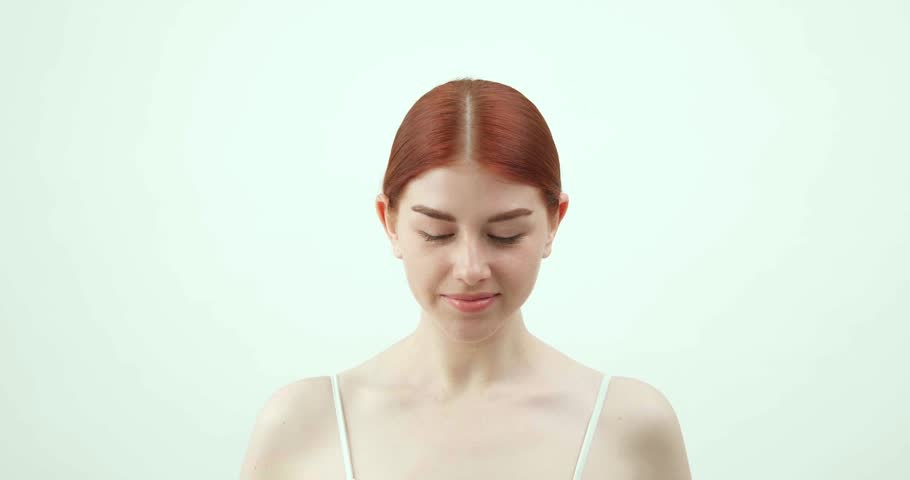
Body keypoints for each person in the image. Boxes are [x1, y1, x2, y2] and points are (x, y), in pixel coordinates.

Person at [238, 78, 691, 479]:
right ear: (389, 221)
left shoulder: (629, 425)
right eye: (437, 233)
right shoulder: (302, 423)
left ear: (555, 221)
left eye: (505, 235)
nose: (471, 269)